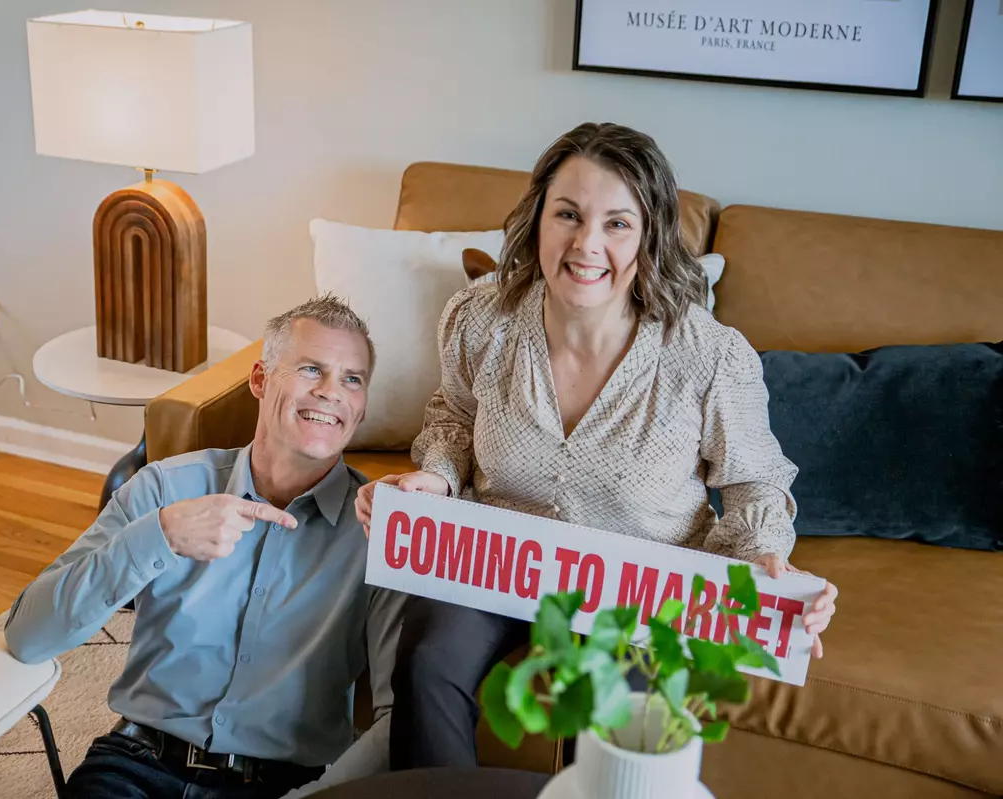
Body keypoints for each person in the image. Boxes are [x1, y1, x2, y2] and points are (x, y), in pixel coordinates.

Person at [354, 122, 839, 770]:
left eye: (616, 223)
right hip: (499, 557)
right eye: (569, 215)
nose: (587, 244)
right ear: (538, 222)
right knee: (425, 660)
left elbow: (755, 482)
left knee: (618, 729)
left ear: (649, 236)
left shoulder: (708, 355)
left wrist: (765, 560)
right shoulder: (483, 319)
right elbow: (454, 416)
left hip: (638, 584)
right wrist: (437, 478)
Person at [5, 295, 406, 799]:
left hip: (284, 788)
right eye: (311, 369)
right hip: (136, 766)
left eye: (352, 378)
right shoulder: (164, 490)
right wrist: (159, 535)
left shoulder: (381, 532)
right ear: (259, 380)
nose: (331, 393)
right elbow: (28, 637)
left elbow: (399, 721)